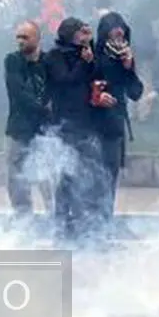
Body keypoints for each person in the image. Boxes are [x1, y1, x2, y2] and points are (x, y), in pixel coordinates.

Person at [85, 11, 144, 244]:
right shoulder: (93, 56)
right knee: (91, 176)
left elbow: (135, 92)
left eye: (122, 33)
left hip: (114, 125)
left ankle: (104, 224)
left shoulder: (124, 59)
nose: (118, 38)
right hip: (92, 124)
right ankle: (89, 224)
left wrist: (128, 67)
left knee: (109, 176)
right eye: (114, 32)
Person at [44, 17, 97, 243]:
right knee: (67, 172)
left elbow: (93, 77)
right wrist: (83, 63)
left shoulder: (85, 53)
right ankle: (62, 220)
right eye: (80, 33)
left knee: (85, 171)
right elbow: (65, 80)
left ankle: (81, 220)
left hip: (84, 120)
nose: (84, 37)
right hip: (64, 121)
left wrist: (89, 60)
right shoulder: (55, 56)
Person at [3, 20, 52, 219]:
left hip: (43, 131)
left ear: (37, 38)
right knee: (15, 176)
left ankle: (55, 217)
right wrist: (44, 109)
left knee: (47, 175)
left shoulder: (49, 62)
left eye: (25, 37)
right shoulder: (13, 61)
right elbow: (19, 92)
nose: (20, 41)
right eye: (18, 37)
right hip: (19, 128)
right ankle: (23, 218)